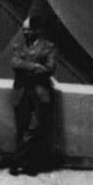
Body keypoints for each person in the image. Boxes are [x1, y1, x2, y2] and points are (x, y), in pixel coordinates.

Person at [8, 15, 57, 176]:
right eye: (24, 29)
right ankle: (26, 164)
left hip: (38, 92)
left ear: (37, 31)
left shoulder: (48, 46)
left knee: (34, 128)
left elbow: (50, 68)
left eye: (28, 29)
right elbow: (15, 63)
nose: (25, 32)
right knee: (21, 127)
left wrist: (26, 66)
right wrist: (36, 65)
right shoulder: (18, 45)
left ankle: (18, 161)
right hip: (22, 91)